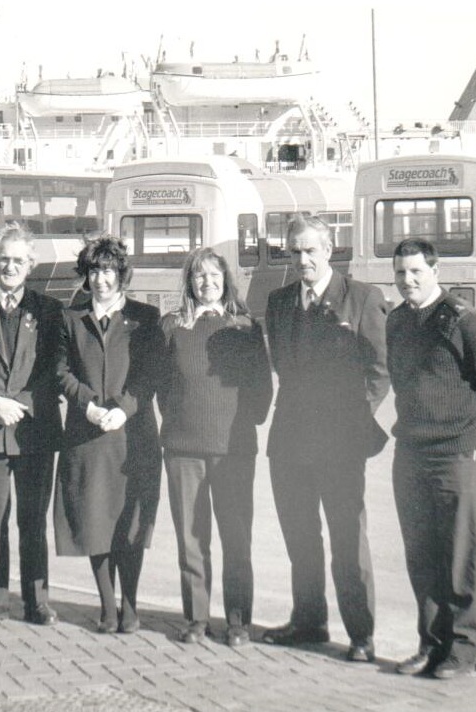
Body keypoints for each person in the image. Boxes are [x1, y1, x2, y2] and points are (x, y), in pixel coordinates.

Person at [263, 214, 390, 663]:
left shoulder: (362, 298)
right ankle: (309, 620)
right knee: (300, 537)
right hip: (290, 442)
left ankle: (361, 634)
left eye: (310, 251)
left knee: (347, 541)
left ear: (329, 249)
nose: (303, 260)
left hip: (339, 443)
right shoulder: (278, 304)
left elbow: (379, 371)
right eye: (295, 252)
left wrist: (354, 419)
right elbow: (282, 365)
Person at [386, 238, 476, 679]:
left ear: (435, 271)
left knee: (460, 552)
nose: (408, 281)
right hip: (411, 451)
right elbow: (401, 381)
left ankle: (462, 645)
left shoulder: (463, 319)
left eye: (417, 272)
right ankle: (431, 643)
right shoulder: (397, 321)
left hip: (457, 452)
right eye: (401, 273)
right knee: (420, 552)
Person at [157, 247, 273, 646]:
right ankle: (196, 618)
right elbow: (161, 385)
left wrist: (242, 426)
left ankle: (239, 621)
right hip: (183, 449)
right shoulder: (172, 326)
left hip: (234, 450)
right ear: (189, 281)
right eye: (199, 276)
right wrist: (177, 421)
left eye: (214, 275)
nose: (208, 283)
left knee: (236, 538)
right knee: (192, 538)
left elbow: (262, 388)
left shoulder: (244, 326)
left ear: (226, 280)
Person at [53, 235, 162, 634]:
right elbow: (60, 372)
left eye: (109, 271)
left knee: (129, 522)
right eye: (95, 271)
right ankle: (107, 606)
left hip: (133, 437)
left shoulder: (146, 319)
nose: (101, 280)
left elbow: (151, 373)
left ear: (122, 274)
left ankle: (130, 605)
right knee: (95, 519)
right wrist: (89, 405)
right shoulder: (70, 318)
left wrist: (124, 408)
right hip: (87, 435)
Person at [0, 224, 63, 628]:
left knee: (33, 521)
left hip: (33, 430)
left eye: (19, 260)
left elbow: (57, 368)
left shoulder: (50, 310)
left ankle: (37, 602)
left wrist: (17, 404)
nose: (10, 266)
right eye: (4, 258)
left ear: (31, 265)